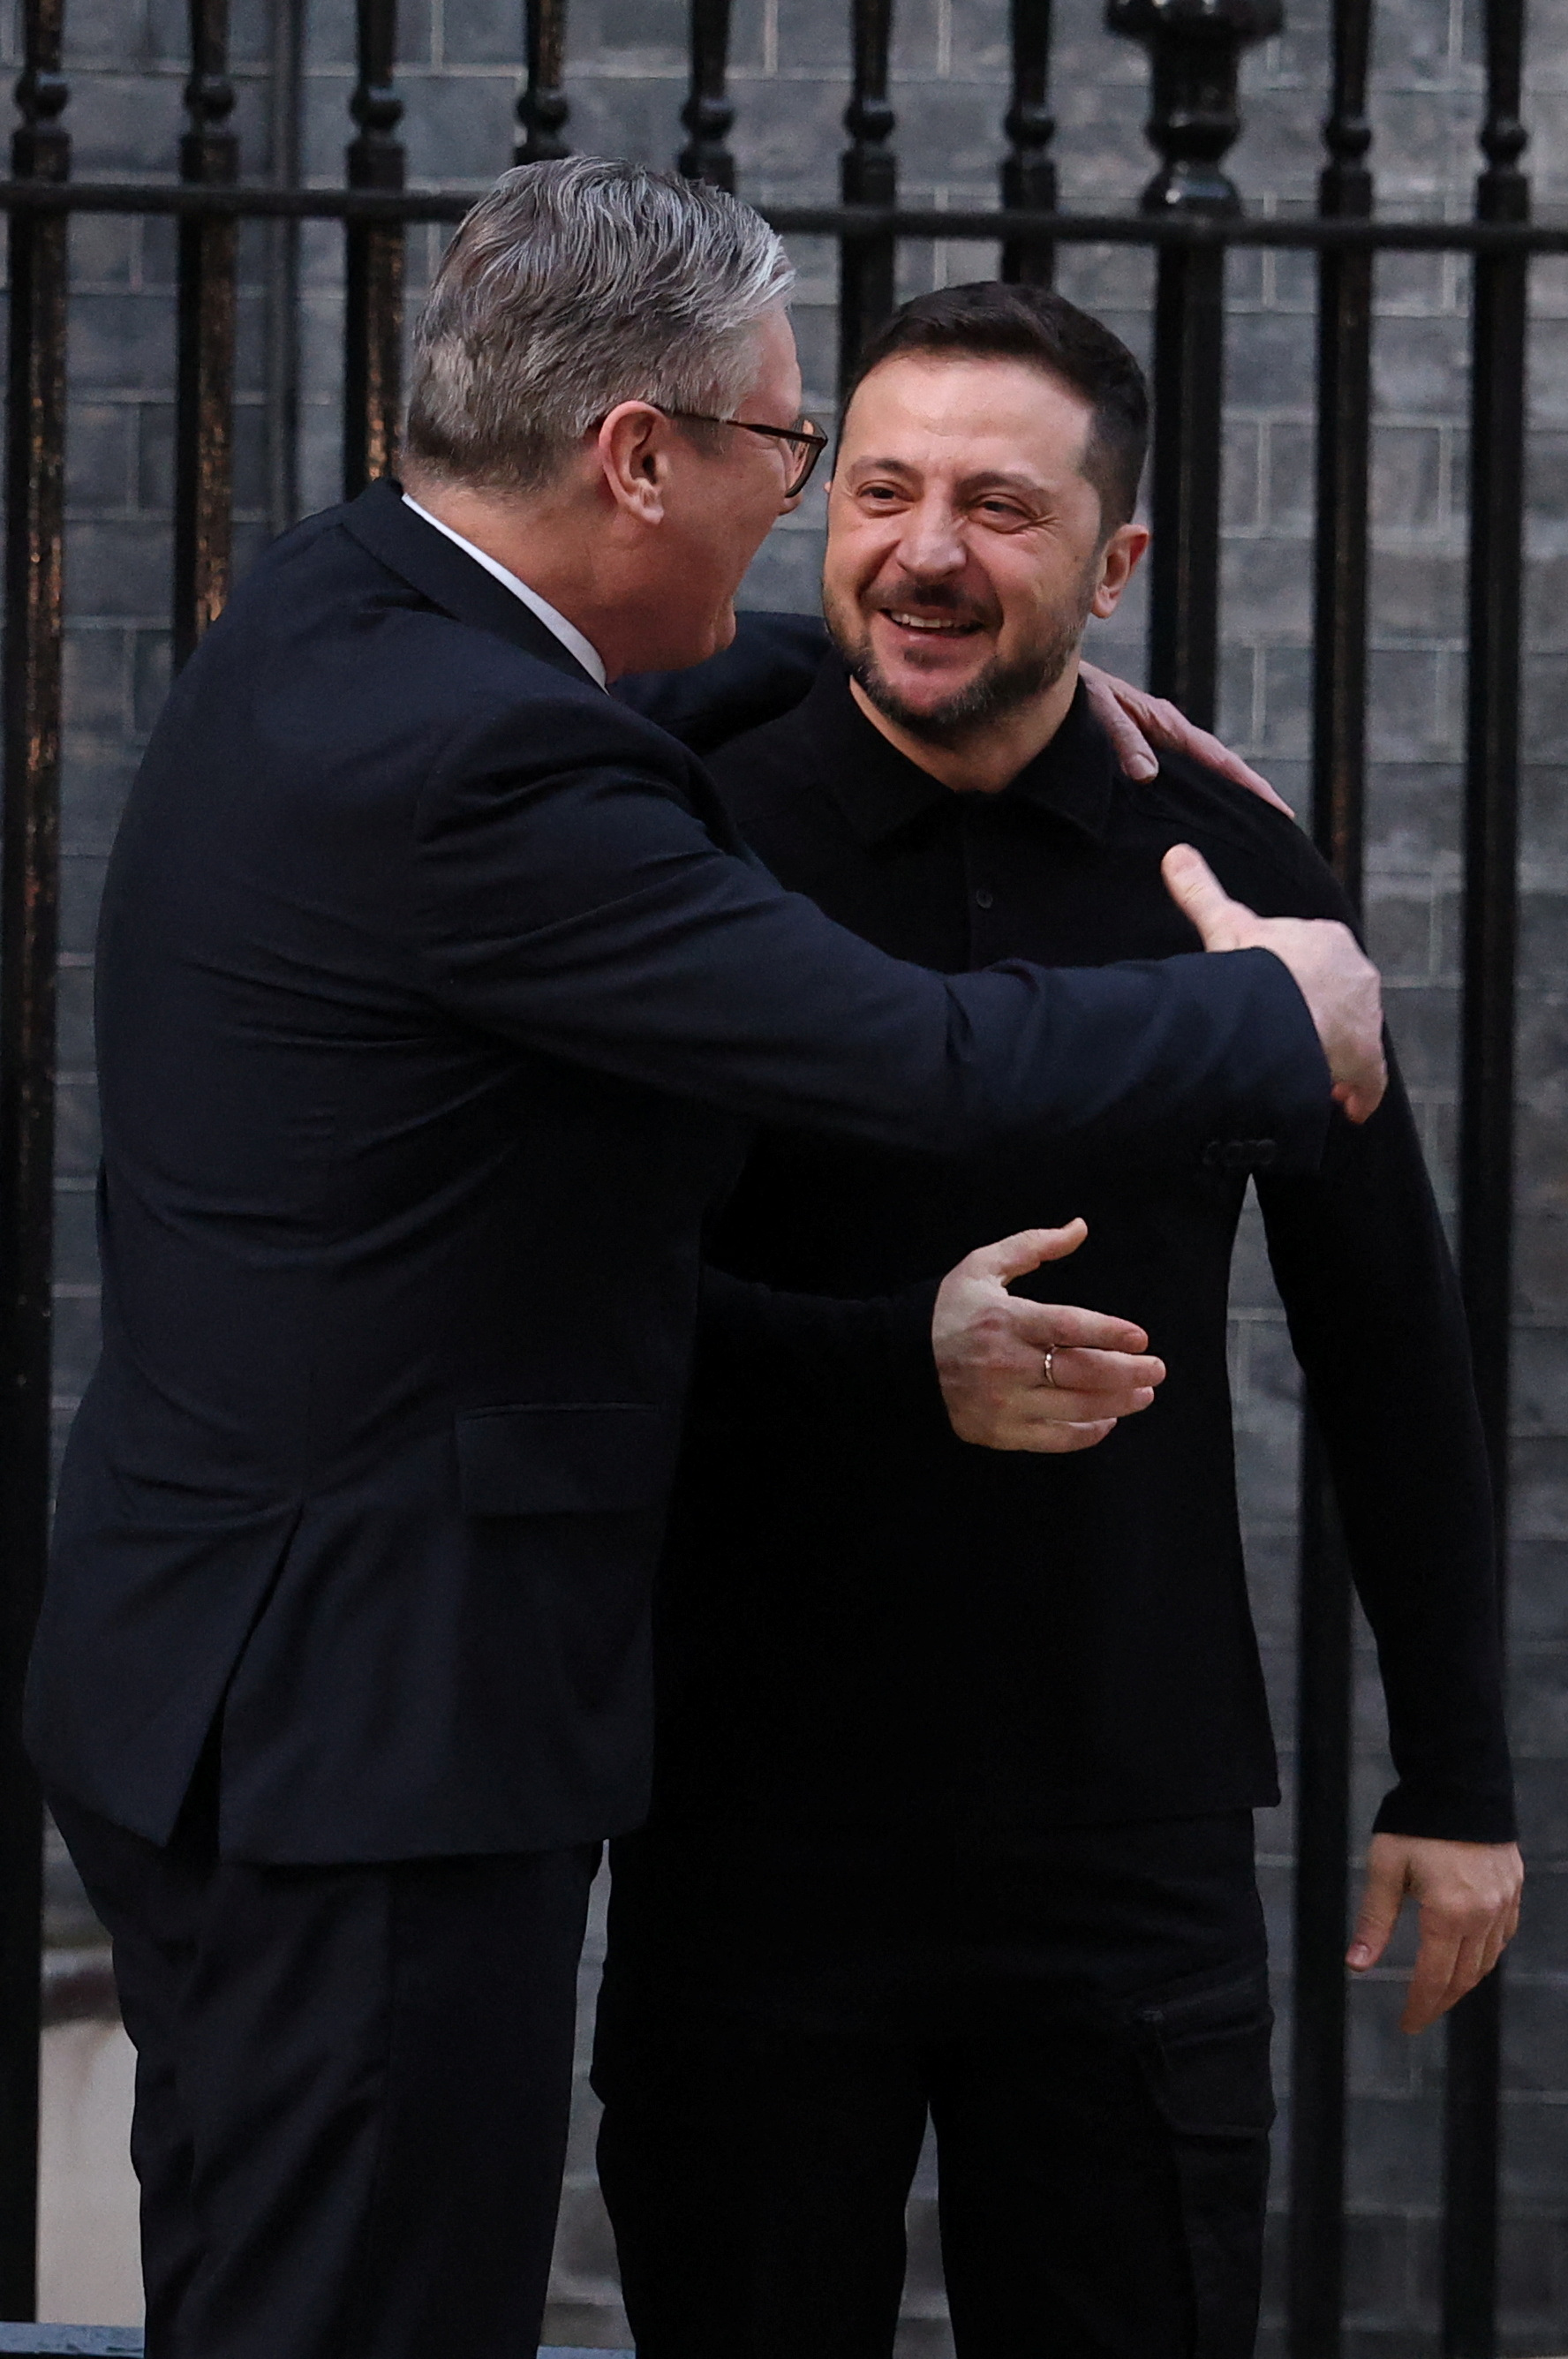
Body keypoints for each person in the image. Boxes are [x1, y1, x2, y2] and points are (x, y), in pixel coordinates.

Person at [26, 159, 1383, 2359]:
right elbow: (913, 1053)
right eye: (793, 455)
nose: (801, 506)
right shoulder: (491, 771)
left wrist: (959, 663)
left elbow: (640, 694)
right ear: (635, 458)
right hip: (367, 1728)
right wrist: (1276, 1003)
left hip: (234, 1686)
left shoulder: (339, 613)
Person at [592, 282, 1524, 2359]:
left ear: (1112, 566)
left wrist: (1457, 1770)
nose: (927, 548)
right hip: (752, 1813)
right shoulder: (677, 819)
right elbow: (579, 1297)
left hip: (1128, 1827)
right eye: (886, 489)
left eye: (1002, 509)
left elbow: (1391, 1328)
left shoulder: (1229, 859)